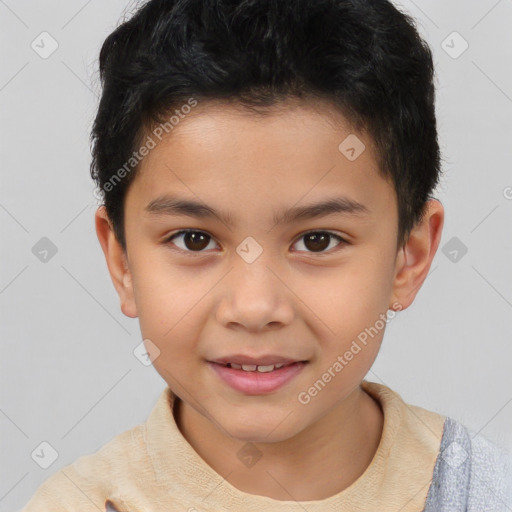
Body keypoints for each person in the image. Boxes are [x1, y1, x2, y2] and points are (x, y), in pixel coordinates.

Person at [21, 0, 512, 510]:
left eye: (318, 240)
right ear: (122, 261)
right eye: (194, 239)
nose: (254, 308)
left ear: (408, 257)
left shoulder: (486, 493)